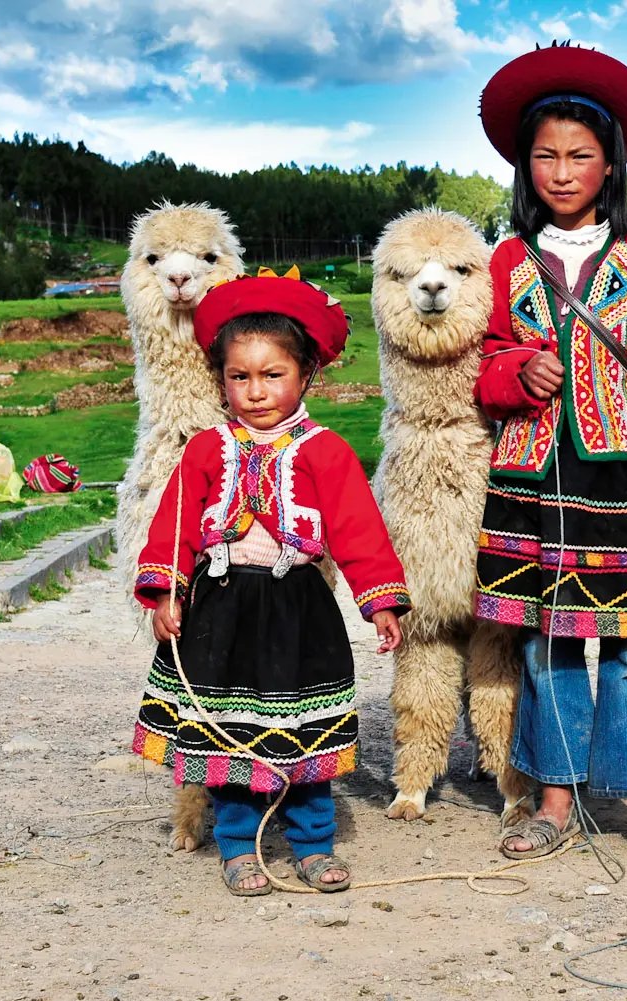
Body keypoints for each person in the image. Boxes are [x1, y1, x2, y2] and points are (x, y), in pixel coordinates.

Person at [472, 43, 627, 866]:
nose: (563, 171)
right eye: (546, 156)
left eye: (580, 155)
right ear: (523, 164)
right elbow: (486, 355)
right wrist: (514, 371)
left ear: (610, 163)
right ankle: (553, 800)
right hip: (535, 476)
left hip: (624, 471)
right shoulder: (506, 261)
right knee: (549, 640)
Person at [131, 267, 411, 896]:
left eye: (272, 374)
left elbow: (358, 531)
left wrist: (381, 603)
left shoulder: (326, 451)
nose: (255, 391)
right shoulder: (205, 449)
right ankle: (238, 846)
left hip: (297, 606)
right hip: (220, 609)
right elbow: (174, 524)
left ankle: (312, 843)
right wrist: (166, 591)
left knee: (303, 734)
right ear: (222, 378)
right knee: (229, 733)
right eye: (239, 377)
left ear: (305, 374)